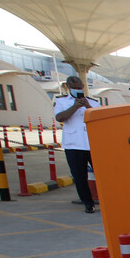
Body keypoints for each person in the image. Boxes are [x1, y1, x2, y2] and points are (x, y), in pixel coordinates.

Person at [53, 76, 98, 213]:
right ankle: (88, 203)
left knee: (102, 174)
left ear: (83, 86)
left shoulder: (93, 103)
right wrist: (74, 107)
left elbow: (99, 117)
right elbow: (60, 118)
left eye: (79, 87)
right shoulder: (61, 102)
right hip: (74, 145)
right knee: (79, 176)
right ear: (68, 87)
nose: (77, 90)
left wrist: (87, 106)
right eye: (74, 88)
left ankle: (108, 199)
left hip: (93, 144)